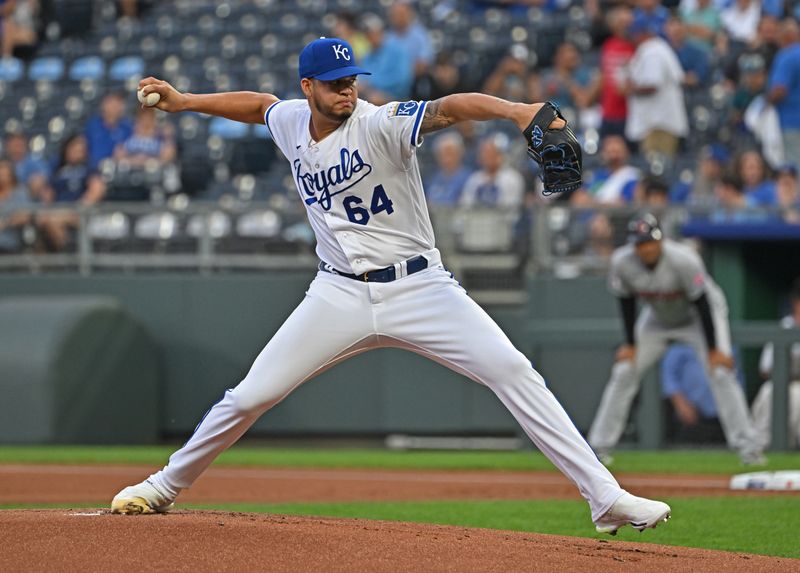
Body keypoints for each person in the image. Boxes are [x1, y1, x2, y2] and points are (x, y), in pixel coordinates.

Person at [112, 37, 671, 535]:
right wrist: (185, 102)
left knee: (513, 371)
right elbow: (261, 106)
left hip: (421, 288)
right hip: (338, 294)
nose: (346, 90)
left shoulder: (379, 122)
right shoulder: (291, 122)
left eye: (352, 79)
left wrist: (517, 110)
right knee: (252, 395)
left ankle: (606, 497)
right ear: (308, 87)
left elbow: (449, 109)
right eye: (334, 84)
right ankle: (164, 486)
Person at [587, 213, 765, 465]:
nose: (645, 248)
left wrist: (714, 349)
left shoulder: (684, 259)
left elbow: (702, 302)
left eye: (649, 242)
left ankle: (749, 448)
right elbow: (625, 301)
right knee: (624, 371)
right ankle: (598, 447)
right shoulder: (622, 261)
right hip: (657, 317)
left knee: (721, 373)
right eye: (640, 243)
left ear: (660, 241)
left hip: (697, 317)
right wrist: (630, 343)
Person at [622, 15, 688, 160]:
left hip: (659, 126)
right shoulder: (655, 48)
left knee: (656, 172)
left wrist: (630, 89)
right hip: (657, 124)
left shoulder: (653, 50)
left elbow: (653, 85)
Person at [751, 278, 800, 449]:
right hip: (782, 382)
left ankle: (791, 446)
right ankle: (759, 447)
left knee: (796, 396)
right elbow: (764, 369)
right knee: (768, 392)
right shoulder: (785, 325)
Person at [358, 14, 414, 104]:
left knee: (373, 100)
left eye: (372, 33)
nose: (370, 37)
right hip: (371, 93)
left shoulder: (397, 50)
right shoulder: (367, 55)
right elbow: (363, 76)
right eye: (367, 34)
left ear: (381, 32)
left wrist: (372, 84)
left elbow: (403, 79)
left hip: (397, 97)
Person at [767, 17, 800, 170]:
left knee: (793, 167)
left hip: (791, 122)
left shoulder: (787, 55)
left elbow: (779, 90)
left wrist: (766, 101)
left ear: (787, 36)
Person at [598, 6, 635, 139]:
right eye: (620, 22)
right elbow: (603, 76)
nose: (624, 26)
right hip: (607, 110)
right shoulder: (608, 45)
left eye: (627, 23)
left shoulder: (635, 46)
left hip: (628, 112)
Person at [459, 134, 525, 208]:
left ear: (500, 156)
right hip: (477, 218)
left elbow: (511, 208)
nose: (487, 157)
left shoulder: (512, 178)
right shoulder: (474, 179)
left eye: (491, 153)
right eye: (485, 154)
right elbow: (466, 206)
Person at [84, 92, 134, 170]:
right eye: (112, 103)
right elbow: (91, 152)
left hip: (122, 168)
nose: (116, 107)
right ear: (103, 105)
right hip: (96, 169)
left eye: (119, 103)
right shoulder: (93, 126)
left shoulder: (128, 127)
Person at [424, 132, 471, 206]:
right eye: (442, 154)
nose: (447, 159)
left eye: (450, 153)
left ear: (460, 153)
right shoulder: (433, 179)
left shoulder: (469, 178)